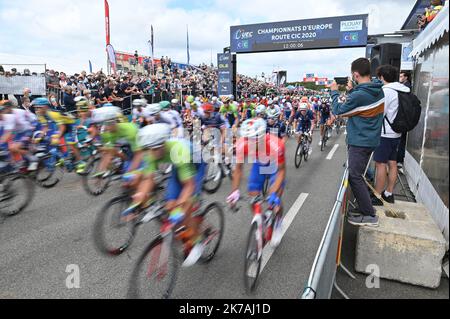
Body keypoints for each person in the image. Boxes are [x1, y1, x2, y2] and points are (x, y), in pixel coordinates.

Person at [123, 123, 207, 267]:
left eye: (156, 149)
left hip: (195, 164)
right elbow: (148, 179)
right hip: (178, 166)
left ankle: (198, 241)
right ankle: (186, 228)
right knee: (170, 206)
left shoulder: (178, 150)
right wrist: (137, 200)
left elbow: (189, 185)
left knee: (184, 209)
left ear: (163, 144)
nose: (152, 153)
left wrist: (181, 206)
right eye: (149, 150)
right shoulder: (151, 152)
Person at [330, 57, 385, 227]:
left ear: (355, 74)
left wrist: (333, 92)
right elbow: (362, 105)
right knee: (358, 174)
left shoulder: (360, 94)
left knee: (355, 176)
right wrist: (353, 90)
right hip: (370, 138)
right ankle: (365, 208)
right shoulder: (377, 89)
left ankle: (369, 214)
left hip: (360, 141)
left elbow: (339, 110)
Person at [227, 118, 286, 247]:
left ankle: (278, 222)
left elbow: (282, 171)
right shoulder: (242, 143)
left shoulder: (277, 144)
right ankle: (258, 220)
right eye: (248, 138)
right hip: (259, 165)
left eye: (254, 139)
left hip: (275, 167)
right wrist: (234, 191)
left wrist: (274, 194)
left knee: (275, 200)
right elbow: (238, 169)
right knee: (253, 196)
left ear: (263, 136)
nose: (250, 142)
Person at [372, 65, 410, 206]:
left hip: (385, 133)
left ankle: (377, 195)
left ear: (382, 77)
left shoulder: (386, 91)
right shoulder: (403, 90)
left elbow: (380, 114)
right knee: (393, 163)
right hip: (397, 132)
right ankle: (389, 193)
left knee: (381, 164)